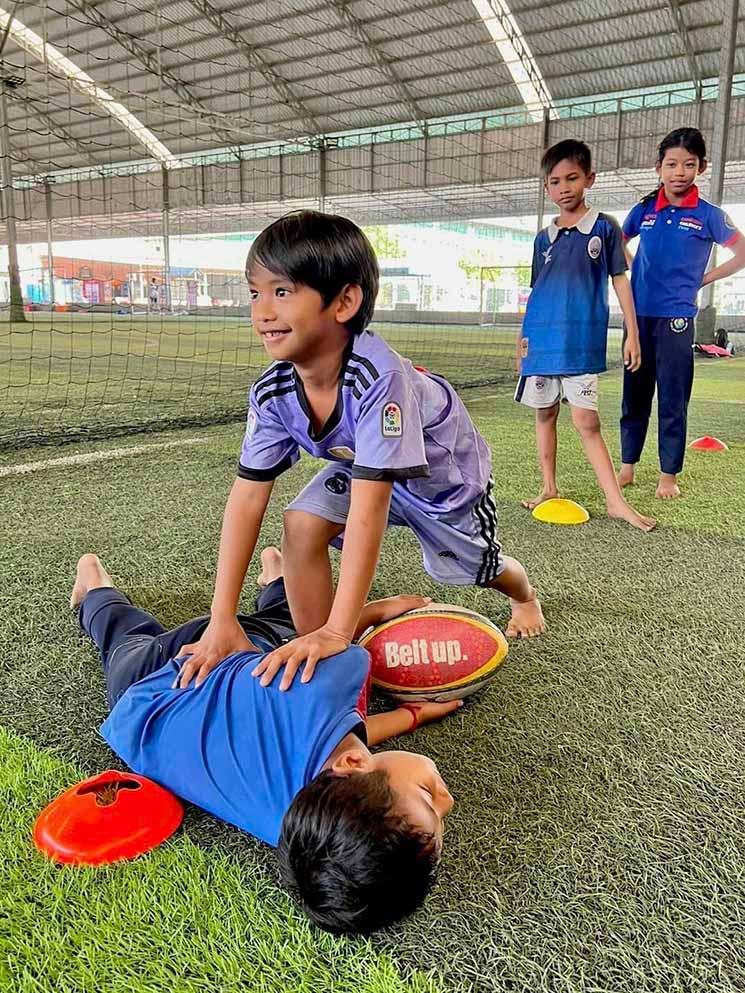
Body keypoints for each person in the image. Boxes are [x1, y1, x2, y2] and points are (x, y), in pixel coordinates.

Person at [175, 209, 545, 695]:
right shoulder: (274, 392)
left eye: (281, 292)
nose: (262, 310)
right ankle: (323, 644)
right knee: (301, 523)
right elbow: (247, 498)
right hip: (363, 466)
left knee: (478, 568)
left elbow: (370, 510)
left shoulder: (379, 376)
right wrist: (221, 619)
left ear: (345, 301)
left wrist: (337, 628)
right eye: (254, 292)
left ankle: (526, 596)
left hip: (443, 482)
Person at [72, 549, 460, 934]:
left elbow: (330, 644)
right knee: (125, 638)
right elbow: (339, 737)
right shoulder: (298, 829)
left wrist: (375, 613)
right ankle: (100, 593)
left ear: (354, 766)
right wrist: (412, 715)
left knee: (298, 634)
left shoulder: (323, 688)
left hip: (164, 678)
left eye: (430, 798)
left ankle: (94, 584)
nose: (448, 801)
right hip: (138, 713)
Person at [514, 139, 655, 532]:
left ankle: (615, 501)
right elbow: (535, 292)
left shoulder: (605, 228)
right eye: (555, 181)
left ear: (589, 179)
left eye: (572, 178)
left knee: (586, 422)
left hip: (580, 344)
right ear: (547, 188)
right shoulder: (543, 238)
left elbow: (620, 281)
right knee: (545, 414)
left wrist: (633, 333)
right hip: (542, 344)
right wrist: (522, 343)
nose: (564, 187)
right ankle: (548, 488)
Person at [618, 127, 745, 499]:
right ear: (659, 166)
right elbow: (618, 244)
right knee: (634, 394)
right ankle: (627, 466)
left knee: (673, 397)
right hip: (637, 318)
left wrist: (703, 280)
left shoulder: (710, 216)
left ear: (701, 168)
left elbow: (742, 253)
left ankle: (668, 475)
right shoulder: (643, 209)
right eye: (672, 164)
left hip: (676, 319)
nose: (679, 172)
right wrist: (631, 274)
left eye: (688, 165)